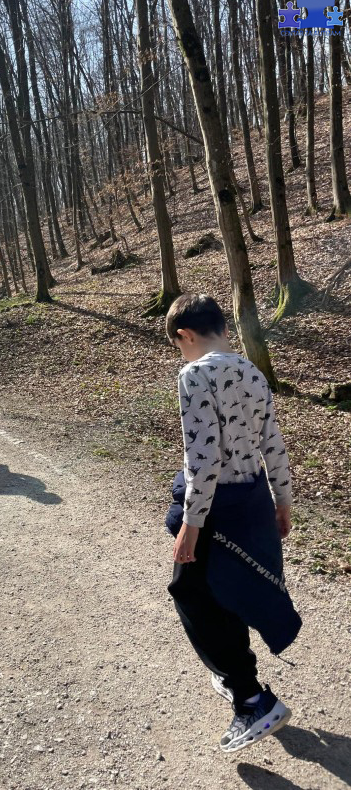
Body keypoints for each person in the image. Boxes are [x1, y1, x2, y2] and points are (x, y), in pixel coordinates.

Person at [164, 293, 301, 753]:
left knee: (190, 592)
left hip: (216, 506)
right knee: (223, 589)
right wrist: (283, 500)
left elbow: (202, 459)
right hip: (253, 498)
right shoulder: (252, 371)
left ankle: (252, 700)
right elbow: (273, 442)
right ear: (224, 328)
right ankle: (236, 677)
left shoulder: (194, 374)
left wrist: (191, 524)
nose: (181, 354)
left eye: (179, 346)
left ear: (185, 335)